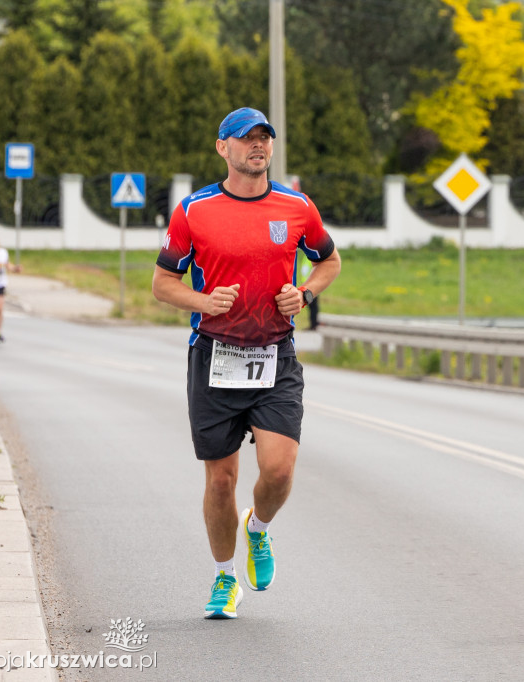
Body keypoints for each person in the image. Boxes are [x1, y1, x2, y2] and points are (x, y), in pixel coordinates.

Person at [151, 107, 341, 619]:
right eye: (246, 138)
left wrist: (303, 293)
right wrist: (203, 301)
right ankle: (223, 578)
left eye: (264, 138)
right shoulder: (194, 211)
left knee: (278, 471)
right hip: (214, 356)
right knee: (220, 481)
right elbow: (162, 283)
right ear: (223, 148)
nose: (257, 146)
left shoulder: (297, 206)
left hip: (274, 355)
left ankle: (257, 529)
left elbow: (329, 260)